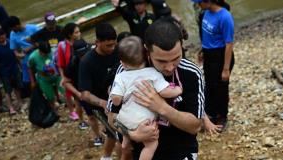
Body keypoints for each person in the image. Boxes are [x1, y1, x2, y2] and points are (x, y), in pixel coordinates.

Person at [108, 18, 204, 159]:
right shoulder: (128, 70)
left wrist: (161, 107)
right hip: (141, 152)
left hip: (180, 152)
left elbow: (195, 126)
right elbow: (112, 118)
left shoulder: (191, 73)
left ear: (182, 46)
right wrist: (132, 134)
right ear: (147, 51)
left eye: (176, 58)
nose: (170, 67)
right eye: (161, 61)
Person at [110, 36, 183, 160]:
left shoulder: (121, 76)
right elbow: (165, 92)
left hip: (124, 118)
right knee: (151, 145)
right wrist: (178, 90)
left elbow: (116, 101)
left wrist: (114, 95)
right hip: (143, 120)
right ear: (147, 55)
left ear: (122, 63)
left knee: (127, 124)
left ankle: (125, 142)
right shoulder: (152, 73)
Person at [79, 23, 119, 160]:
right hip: (98, 104)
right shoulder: (87, 62)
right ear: (97, 42)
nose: (112, 48)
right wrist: (103, 103)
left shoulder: (118, 51)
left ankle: (106, 157)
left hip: (117, 97)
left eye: (114, 44)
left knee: (113, 132)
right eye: (108, 45)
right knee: (116, 133)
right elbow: (85, 94)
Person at [194, 0, 234, 131]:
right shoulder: (206, 13)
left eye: (199, 2)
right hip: (209, 55)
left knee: (221, 88)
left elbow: (229, 44)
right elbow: (206, 35)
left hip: (220, 56)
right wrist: (202, 51)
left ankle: (222, 116)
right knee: (210, 85)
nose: (198, 5)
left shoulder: (225, 17)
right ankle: (210, 115)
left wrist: (226, 69)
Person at [0, 29, 22, 115]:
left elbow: (16, 55)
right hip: (4, 72)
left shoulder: (11, 43)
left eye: (2, 35)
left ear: (5, 34)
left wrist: (20, 65)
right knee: (7, 91)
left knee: (17, 87)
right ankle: (11, 107)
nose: (1, 37)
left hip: (15, 68)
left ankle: (20, 103)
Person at [57, 22, 84, 122]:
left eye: (79, 32)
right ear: (70, 34)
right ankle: (78, 117)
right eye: (76, 32)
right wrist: (63, 77)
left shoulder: (81, 42)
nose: (79, 34)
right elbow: (60, 64)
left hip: (80, 74)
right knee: (75, 98)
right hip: (70, 75)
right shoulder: (62, 46)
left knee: (80, 98)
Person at [63, 39, 91, 129]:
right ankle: (81, 121)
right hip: (77, 86)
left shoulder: (92, 56)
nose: (83, 57)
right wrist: (77, 93)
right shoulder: (72, 64)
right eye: (81, 55)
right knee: (78, 103)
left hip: (90, 85)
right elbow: (66, 82)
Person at [9, 16, 39, 98]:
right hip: (25, 61)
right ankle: (35, 97)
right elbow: (14, 49)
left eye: (13, 28)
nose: (13, 31)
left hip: (38, 58)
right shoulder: (12, 34)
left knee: (41, 76)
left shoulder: (34, 28)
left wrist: (30, 48)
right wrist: (18, 55)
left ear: (17, 25)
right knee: (28, 81)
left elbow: (43, 42)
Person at [28, 41, 63, 111]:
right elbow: (30, 69)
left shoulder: (53, 51)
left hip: (56, 75)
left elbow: (59, 63)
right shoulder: (33, 57)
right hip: (44, 78)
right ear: (40, 51)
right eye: (44, 53)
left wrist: (62, 74)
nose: (46, 54)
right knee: (49, 96)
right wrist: (32, 81)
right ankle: (53, 110)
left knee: (64, 90)